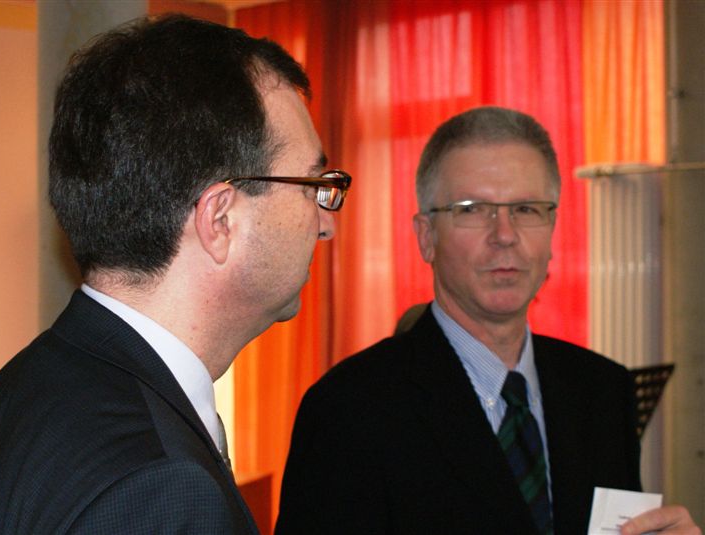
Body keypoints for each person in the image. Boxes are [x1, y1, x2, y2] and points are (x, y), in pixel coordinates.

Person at [0, 14, 350, 534]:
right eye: (313, 185)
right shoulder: (162, 482)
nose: (326, 223)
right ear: (220, 220)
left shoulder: (31, 378)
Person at [276, 107, 699, 535]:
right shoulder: (348, 411)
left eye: (526, 209)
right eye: (473, 209)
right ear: (426, 236)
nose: (505, 235)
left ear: (552, 228)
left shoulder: (602, 390)